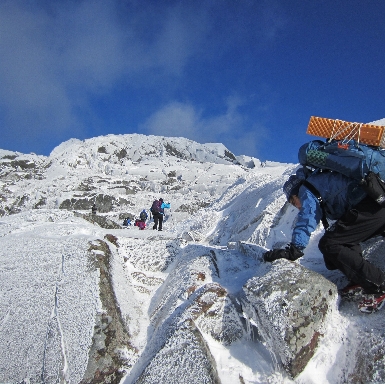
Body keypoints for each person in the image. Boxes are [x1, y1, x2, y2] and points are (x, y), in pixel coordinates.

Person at [263, 167, 385, 294]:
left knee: (329, 244)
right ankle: (361, 279)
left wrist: (295, 249)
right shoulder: (318, 182)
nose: (297, 207)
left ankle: (378, 283)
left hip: (371, 207)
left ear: (296, 194)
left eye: (294, 202)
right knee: (339, 241)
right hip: (376, 203)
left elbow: (307, 218)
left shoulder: (306, 190)